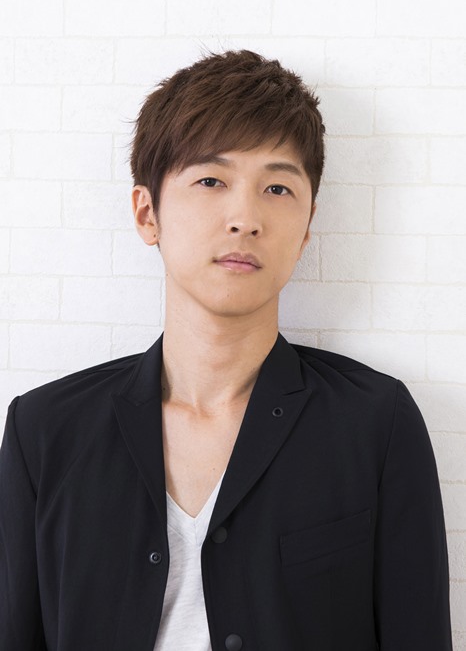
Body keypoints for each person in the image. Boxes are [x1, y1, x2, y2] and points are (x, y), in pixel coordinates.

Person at [0, 49, 453, 651]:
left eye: (277, 187)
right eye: (211, 181)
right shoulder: (44, 431)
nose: (245, 218)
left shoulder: (376, 424)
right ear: (147, 213)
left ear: (308, 227)